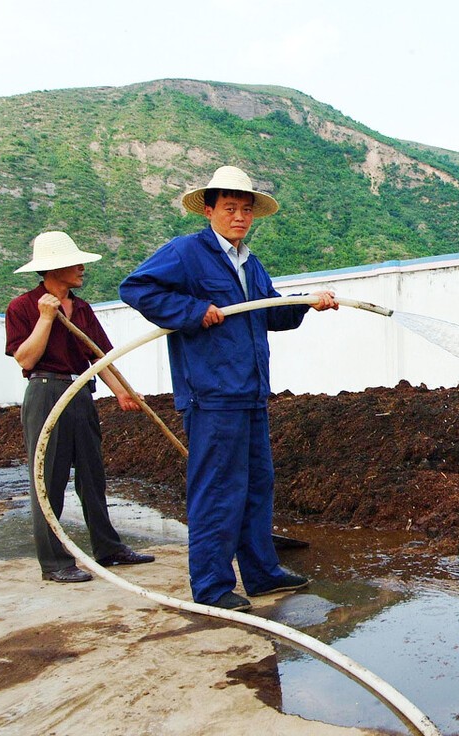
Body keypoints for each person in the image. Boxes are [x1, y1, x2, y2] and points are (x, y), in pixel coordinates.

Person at [119, 165, 338, 612]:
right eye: (229, 208)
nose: (238, 217)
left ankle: (261, 574)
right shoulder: (186, 253)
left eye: (245, 210)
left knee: (257, 484)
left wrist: (307, 303)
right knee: (218, 490)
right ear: (210, 210)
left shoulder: (250, 263)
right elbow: (135, 288)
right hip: (212, 393)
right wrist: (194, 309)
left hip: (252, 392)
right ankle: (213, 586)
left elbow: (271, 313)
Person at [5, 231, 157, 583]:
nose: (82, 268)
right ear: (53, 268)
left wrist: (122, 393)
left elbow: (103, 357)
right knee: (49, 479)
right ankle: (56, 563)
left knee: (93, 476)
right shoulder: (23, 307)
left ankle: (108, 548)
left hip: (80, 394)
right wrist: (46, 318)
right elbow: (24, 358)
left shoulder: (83, 309)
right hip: (46, 392)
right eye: (75, 263)